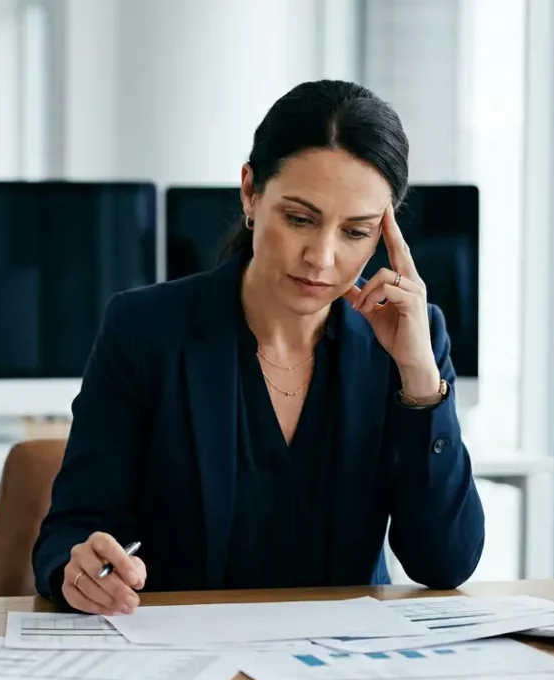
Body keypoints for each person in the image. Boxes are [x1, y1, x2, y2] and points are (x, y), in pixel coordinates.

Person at [32, 80, 486, 615]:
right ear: (251, 192)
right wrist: (79, 569)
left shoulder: (412, 341)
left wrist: (419, 379)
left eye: (356, 232)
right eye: (300, 219)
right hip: (182, 657)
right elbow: (69, 532)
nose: (321, 257)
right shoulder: (144, 329)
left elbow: (445, 563)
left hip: (341, 661)